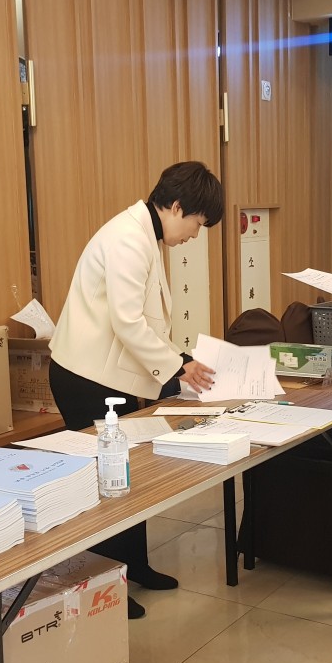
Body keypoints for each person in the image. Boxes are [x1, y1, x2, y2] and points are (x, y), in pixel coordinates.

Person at [48, 161, 224, 620]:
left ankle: (134, 566)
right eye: (198, 224)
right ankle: (107, 584)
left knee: (128, 474)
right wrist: (177, 367)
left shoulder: (144, 232)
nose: (195, 235)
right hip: (86, 377)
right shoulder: (129, 238)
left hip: (108, 375)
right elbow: (128, 322)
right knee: (106, 481)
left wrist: (178, 360)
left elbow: (145, 321)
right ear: (177, 207)